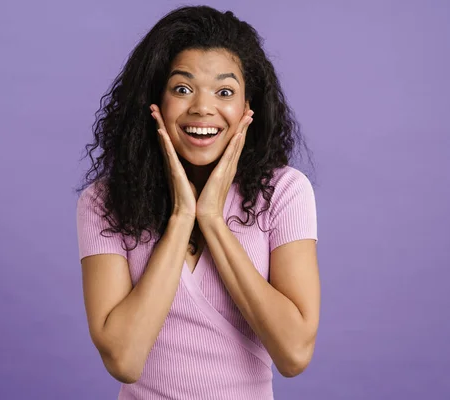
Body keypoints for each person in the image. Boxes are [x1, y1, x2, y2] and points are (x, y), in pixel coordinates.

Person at [76, 5, 320, 399]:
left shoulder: (284, 192)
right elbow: (124, 359)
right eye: (182, 89)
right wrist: (181, 216)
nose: (202, 108)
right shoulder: (104, 201)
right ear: (154, 100)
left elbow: (293, 354)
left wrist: (211, 219)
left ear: (248, 107)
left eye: (224, 91)